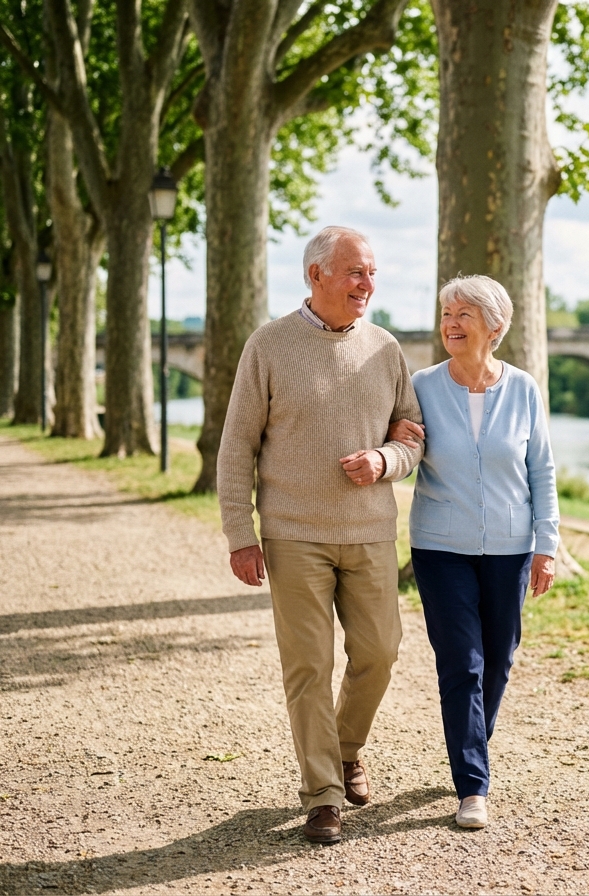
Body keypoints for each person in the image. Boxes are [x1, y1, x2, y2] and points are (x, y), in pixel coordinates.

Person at [217, 226, 425, 845]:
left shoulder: (385, 348)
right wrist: (240, 533)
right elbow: (237, 446)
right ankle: (323, 794)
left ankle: (345, 749)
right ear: (317, 275)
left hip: (370, 533)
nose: (367, 284)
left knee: (380, 652)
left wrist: (385, 460)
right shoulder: (268, 345)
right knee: (308, 665)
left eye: (372, 273)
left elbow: (412, 433)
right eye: (356, 272)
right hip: (293, 535)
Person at [398, 274, 559, 830]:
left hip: (511, 547)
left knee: (498, 658)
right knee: (462, 663)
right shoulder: (421, 386)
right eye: (446, 313)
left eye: (463, 314)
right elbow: (404, 448)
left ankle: (471, 745)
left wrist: (546, 545)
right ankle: (472, 785)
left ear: (495, 326)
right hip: (440, 546)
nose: (451, 323)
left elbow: (541, 470)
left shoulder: (523, 389)